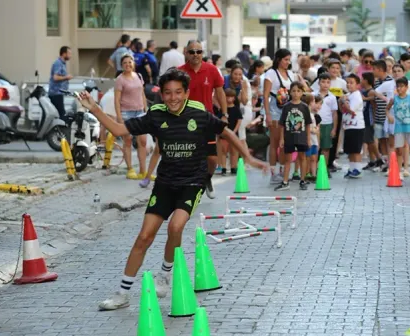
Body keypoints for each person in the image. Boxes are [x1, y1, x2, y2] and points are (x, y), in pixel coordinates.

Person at [75, 69, 268, 310]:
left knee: (176, 226)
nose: (173, 97)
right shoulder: (155, 116)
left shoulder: (199, 114)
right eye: (168, 93)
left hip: (192, 182)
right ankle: (122, 293)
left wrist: (247, 157)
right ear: (161, 95)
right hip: (165, 183)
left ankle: (164, 273)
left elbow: (225, 131)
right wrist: (93, 107)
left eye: (178, 92)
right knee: (144, 236)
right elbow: (119, 131)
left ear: (186, 93)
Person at [178, 40, 227, 199]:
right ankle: (187, 187)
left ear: (202, 53)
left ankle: (207, 178)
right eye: (192, 52)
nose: (195, 55)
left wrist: (224, 113)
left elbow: (220, 93)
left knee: (212, 158)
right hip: (185, 120)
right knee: (188, 156)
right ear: (186, 52)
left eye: (198, 52)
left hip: (207, 119)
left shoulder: (212, 70)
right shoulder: (179, 72)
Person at [114, 54, 149, 180]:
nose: (128, 64)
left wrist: (146, 110)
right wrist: (119, 116)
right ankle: (130, 169)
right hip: (126, 113)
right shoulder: (120, 79)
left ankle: (143, 171)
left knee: (143, 142)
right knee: (127, 141)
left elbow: (142, 94)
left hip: (140, 112)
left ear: (133, 63)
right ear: (122, 65)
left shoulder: (138, 76)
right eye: (125, 63)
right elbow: (117, 99)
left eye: (130, 62)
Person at [264, 49, 296, 184]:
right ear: (278, 59)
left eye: (289, 60)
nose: (288, 62)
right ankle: (273, 172)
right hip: (275, 112)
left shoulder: (290, 74)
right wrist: (268, 115)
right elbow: (265, 95)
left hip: (288, 112)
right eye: (285, 59)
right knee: (275, 142)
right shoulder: (270, 73)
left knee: (286, 143)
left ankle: (283, 170)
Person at [275, 82, 312, 191]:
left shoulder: (304, 107)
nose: (296, 93)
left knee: (302, 158)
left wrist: (308, 138)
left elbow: (308, 124)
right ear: (290, 92)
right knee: (288, 159)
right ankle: (285, 181)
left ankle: (302, 180)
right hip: (289, 137)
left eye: (298, 91)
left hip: (301, 137)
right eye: (294, 91)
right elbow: (282, 124)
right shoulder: (286, 106)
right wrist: (282, 138)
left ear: (302, 93)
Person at [387, 77, 410, 176]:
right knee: (399, 150)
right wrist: (389, 116)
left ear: (406, 87)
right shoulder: (394, 99)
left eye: (401, 86)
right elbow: (386, 109)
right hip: (399, 128)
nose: (399, 88)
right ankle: (399, 171)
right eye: (398, 86)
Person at [340, 73, 365, 178]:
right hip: (348, 126)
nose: (349, 85)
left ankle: (357, 169)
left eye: (351, 83)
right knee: (350, 149)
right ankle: (351, 168)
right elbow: (343, 110)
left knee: (356, 149)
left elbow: (351, 110)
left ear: (357, 84)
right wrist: (341, 102)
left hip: (356, 126)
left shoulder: (357, 96)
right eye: (347, 83)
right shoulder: (349, 95)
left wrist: (344, 101)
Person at [314, 73, 339, 175]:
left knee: (326, 148)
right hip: (315, 125)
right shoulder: (314, 95)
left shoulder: (332, 97)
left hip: (327, 124)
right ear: (319, 83)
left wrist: (334, 129)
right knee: (315, 147)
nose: (325, 84)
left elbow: (334, 113)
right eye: (323, 82)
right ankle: (314, 169)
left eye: (328, 82)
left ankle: (324, 169)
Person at [48, 46, 72, 120]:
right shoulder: (58, 63)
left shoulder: (63, 64)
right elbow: (55, 77)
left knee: (60, 114)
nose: (70, 55)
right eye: (69, 53)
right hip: (55, 93)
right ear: (64, 54)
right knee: (61, 114)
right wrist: (66, 77)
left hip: (59, 93)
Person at [305, 95, 322, 181]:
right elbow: (309, 127)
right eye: (314, 102)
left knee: (314, 158)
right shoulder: (307, 115)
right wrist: (315, 130)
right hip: (309, 140)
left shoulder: (313, 115)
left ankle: (314, 174)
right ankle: (306, 173)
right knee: (307, 158)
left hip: (314, 140)